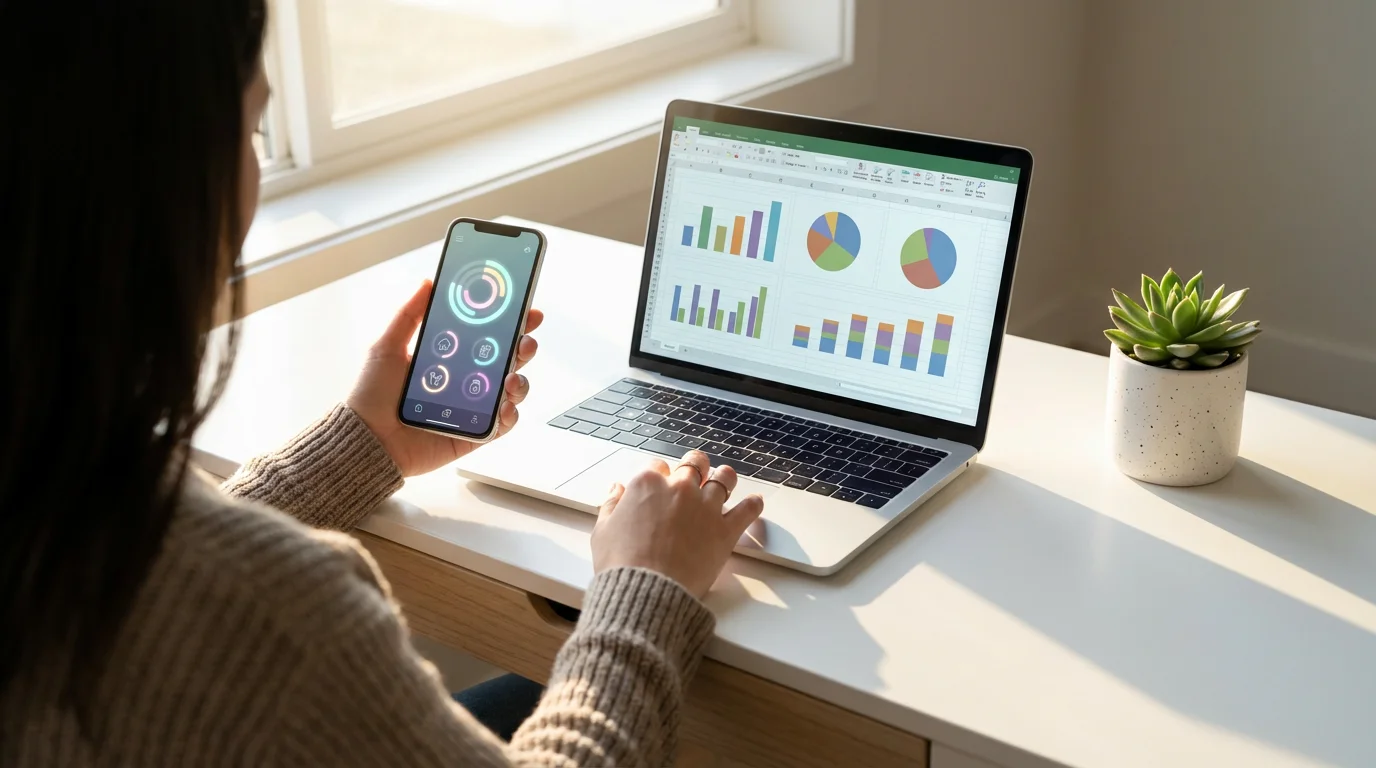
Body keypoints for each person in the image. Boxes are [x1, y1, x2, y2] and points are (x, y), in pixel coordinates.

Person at [0, 3, 765, 766]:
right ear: (163, 172)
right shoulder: (280, 620)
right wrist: (644, 585)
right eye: (255, 128)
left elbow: (161, 604)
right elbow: (212, 610)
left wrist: (361, 446)